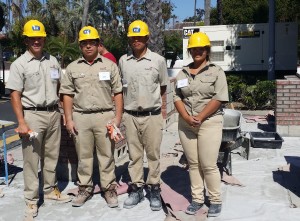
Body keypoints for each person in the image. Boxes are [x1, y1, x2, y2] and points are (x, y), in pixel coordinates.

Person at [6, 19, 70, 219]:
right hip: (32, 115)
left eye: (39, 37)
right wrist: (22, 122)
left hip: (53, 113)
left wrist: (60, 110)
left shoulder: (52, 61)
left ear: (44, 39)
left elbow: (59, 87)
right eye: (32, 38)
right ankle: (31, 201)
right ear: (26, 40)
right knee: (31, 160)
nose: (36, 41)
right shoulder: (19, 64)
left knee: (52, 156)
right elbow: (14, 94)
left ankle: (50, 191)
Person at [59, 26, 123, 208]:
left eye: (92, 43)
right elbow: (67, 95)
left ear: (98, 44)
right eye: (84, 43)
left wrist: (117, 118)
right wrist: (69, 119)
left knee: (106, 155)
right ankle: (85, 188)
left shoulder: (110, 66)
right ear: (80, 46)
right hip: (81, 117)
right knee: (84, 156)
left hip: (105, 117)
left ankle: (109, 189)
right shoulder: (72, 68)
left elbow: (118, 93)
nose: (88, 47)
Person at [173, 32, 229, 217]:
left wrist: (201, 116)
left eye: (200, 48)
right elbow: (176, 97)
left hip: (209, 122)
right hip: (186, 124)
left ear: (207, 50)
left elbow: (219, 97)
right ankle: (197, 198)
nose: (197, 51)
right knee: (194, 163)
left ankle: (215, 200)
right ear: (190, 50)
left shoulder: (216, 71)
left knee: (208, 163)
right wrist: (187, 118)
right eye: (193, 48)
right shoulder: (183, 72)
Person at [118, 20, 169, 211]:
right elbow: (119, 90)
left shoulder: (158, 60)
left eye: (140, 37)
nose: (136, 40)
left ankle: (154, 188)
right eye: (133, 37)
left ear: (147, 38)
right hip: (130, 116)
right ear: (130, 39)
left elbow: (163, 87)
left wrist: (161, 111)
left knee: (153, 154)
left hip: (152, 115)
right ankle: (136, 188)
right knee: (134, 155)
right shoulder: (123, 61)